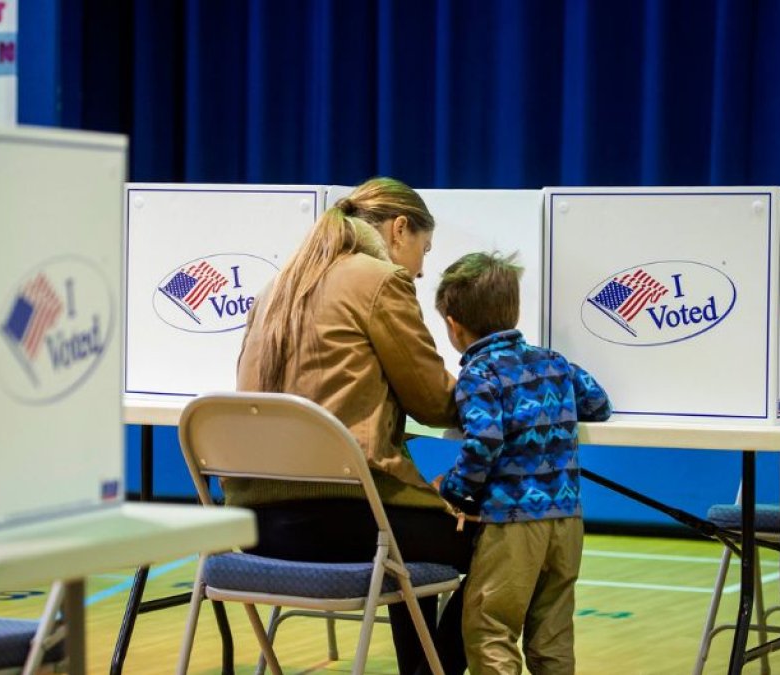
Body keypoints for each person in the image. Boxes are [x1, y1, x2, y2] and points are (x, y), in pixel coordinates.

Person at [232, 176, 478, 674]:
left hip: (257, 529)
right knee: (506, 533)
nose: (422, 268)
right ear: (399, 229)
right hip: (347, 523)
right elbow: (433, 401)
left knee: (407, 537)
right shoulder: (379, 279)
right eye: (423, 250)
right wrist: (499, 388)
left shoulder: (276, 286)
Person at [433, 251, 612, 675]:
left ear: (453, 326)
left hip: (513, 522)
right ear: (513, 311)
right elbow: (598, 403)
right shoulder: (553, 362)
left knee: (489, 627)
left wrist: (453, 490)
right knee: (552, 635)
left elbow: (485, 440)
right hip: (567, 519)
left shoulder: (479, 374)